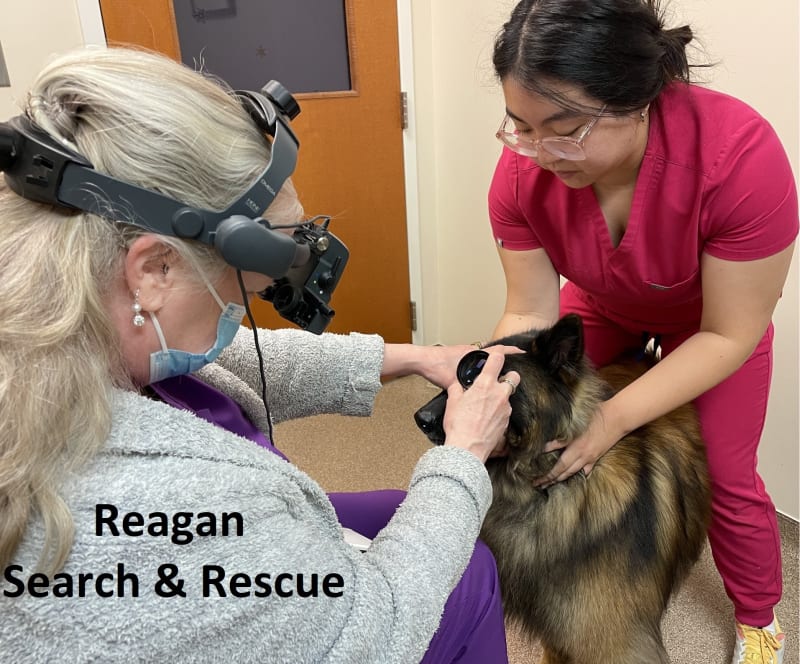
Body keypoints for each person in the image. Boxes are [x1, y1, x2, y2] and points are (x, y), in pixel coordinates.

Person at [0, 47, 521, 663]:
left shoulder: (57, 329)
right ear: (155, 269)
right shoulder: (160, 510)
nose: (246, 305)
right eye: (245, 278)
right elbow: (371, 633)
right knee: (466, 565)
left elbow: (219, 362)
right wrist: (463, 457)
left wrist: (409, 358)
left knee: (428, 520)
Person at [486, 1, 798, 662]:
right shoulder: (523, 172)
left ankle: (761, 621)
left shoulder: (741, 158)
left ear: (640, 100)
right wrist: (494, 379)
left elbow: (729, 333)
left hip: (710, 327)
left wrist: (616, 417)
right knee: (534, 419)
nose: (542, 153)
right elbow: (529, 314)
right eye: (521, 127)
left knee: (727, 474)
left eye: (566, 129)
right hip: (604, 303)